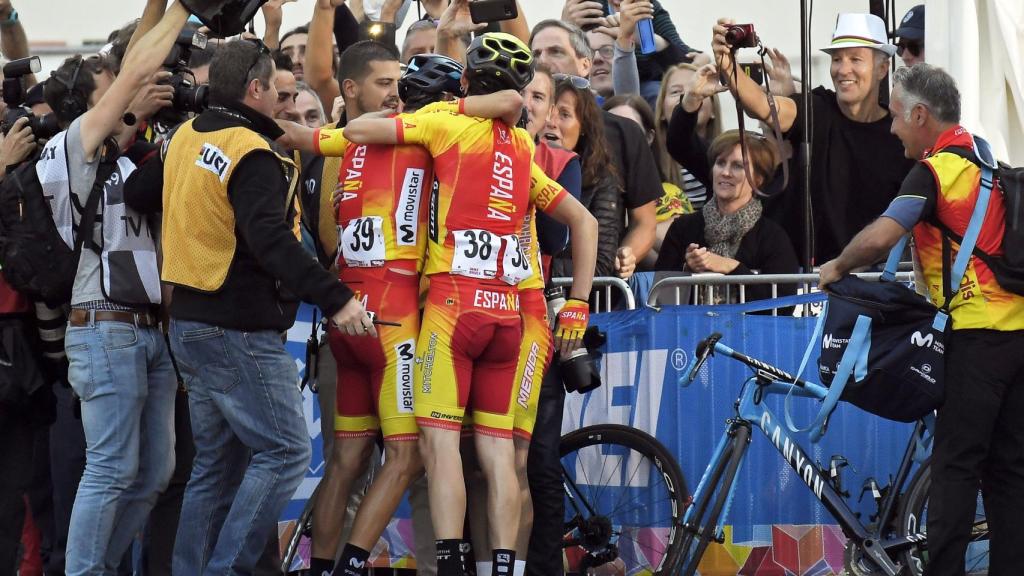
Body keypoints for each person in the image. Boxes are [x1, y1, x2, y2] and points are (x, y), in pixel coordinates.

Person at [343, 32, 599, 576]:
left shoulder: (444, 123)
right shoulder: (524, 150)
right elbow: (586, 221)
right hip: (515, 314)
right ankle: (500, 567)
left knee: (448, 453)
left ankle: (460, 565)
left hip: (457, 308)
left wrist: (451, 105)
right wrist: (577, 305)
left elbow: (354, 130)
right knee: (503, 457)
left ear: (464, 85)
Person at [124, 38, 373, 575]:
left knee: (215, 465)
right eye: (277, 91)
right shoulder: (252, 150)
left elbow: (139, 194)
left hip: (189, 323)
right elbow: (272, 242)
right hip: (236, 327)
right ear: (254, 88)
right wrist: (337, 299)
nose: (283, 102)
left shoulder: (184, 136)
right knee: (285, 452)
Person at [819, 64, 1024, 576]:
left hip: (977, 337)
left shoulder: (937, 169)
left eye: (895, 117)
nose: (891, 129)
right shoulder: (986, 162)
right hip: (1018, 334)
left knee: (955, 467)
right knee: (1009, 473)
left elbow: (885, 234)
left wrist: (838, 266)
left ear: (919, 114)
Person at [37, 4, 190, 575]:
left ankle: (96, 566)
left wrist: (164, 8)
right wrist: (180, 13)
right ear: (91, 105)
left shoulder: (126, 158)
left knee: (153, 474)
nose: (132, 93)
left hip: (151, 333)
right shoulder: (71, 149)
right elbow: (130, 74)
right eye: (115, 91)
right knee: (111, 469)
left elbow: (132, 71)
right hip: (102, 329)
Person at [712, 13, 915, 264]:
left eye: (855, 59)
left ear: (882, 69)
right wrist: (727, 64)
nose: (843, 69)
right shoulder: (818, 108)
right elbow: (764, 107)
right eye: (837, 59)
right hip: (809, 283)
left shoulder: (898, 135)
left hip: (873, 283)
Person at [530, 19, 659, 280]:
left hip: (593, 295)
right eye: (535, 54)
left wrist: (625, 256)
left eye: (555, 51)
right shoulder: (514, 136)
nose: (544, 61)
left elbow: (644, 223)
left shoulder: (625, 133)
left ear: (585, 63)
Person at [655, 131, 798, 304]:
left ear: (758, 179)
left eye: (738, 166)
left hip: (748, 330)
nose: (726, 172)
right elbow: (659, 297)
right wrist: (687, 269)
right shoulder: (683, 228)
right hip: (691, 329)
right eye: (720, 163)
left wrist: (731, 267)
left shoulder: (772, 237)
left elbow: (783, 303)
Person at [544, 76, 623, 279]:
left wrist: (539, 269)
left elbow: (601, 265)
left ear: (583, 128)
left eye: (564, 114)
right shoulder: (513, 160)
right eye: (548, 111)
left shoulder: (600, 179)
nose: (551, 123)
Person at [603, 93, 691, 268]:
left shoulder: (669, 193)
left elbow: (677, 242)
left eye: (630, 127)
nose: (620, 136)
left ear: (649, 137)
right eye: (611, 128)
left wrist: (637, 227)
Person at [659, 62, 722, 208]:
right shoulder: (648, 156)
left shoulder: (728, 155)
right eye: (676, 92)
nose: (687, 95)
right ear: (661, 111)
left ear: (713, 109)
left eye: (699, 87)